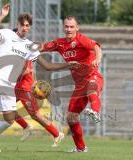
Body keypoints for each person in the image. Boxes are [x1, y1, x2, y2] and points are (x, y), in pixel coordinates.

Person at [0, 4, 78, 153]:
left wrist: (67, 65)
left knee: (10, 119)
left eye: (28, 25)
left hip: (9, 85)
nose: (25, 28)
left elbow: (47, 66)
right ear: (17, 25)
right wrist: (2, 15)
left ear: (30, 27)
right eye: (23, 25)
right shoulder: (7, 34)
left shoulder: (30, 46)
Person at [40, 16, 103, 152]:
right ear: (63, 27)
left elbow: (96, 47)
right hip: (79, 85)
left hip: (93, 76)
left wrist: (97, 59)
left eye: (71, 27)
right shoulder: (60, 44)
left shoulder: (81, 40)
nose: (68, 29)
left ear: (77, 28)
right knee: (71, 118)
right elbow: (42, 47)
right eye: (66, 26)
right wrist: (26, 48)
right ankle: (80, 148)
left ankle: (96, 112)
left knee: (91, 89)